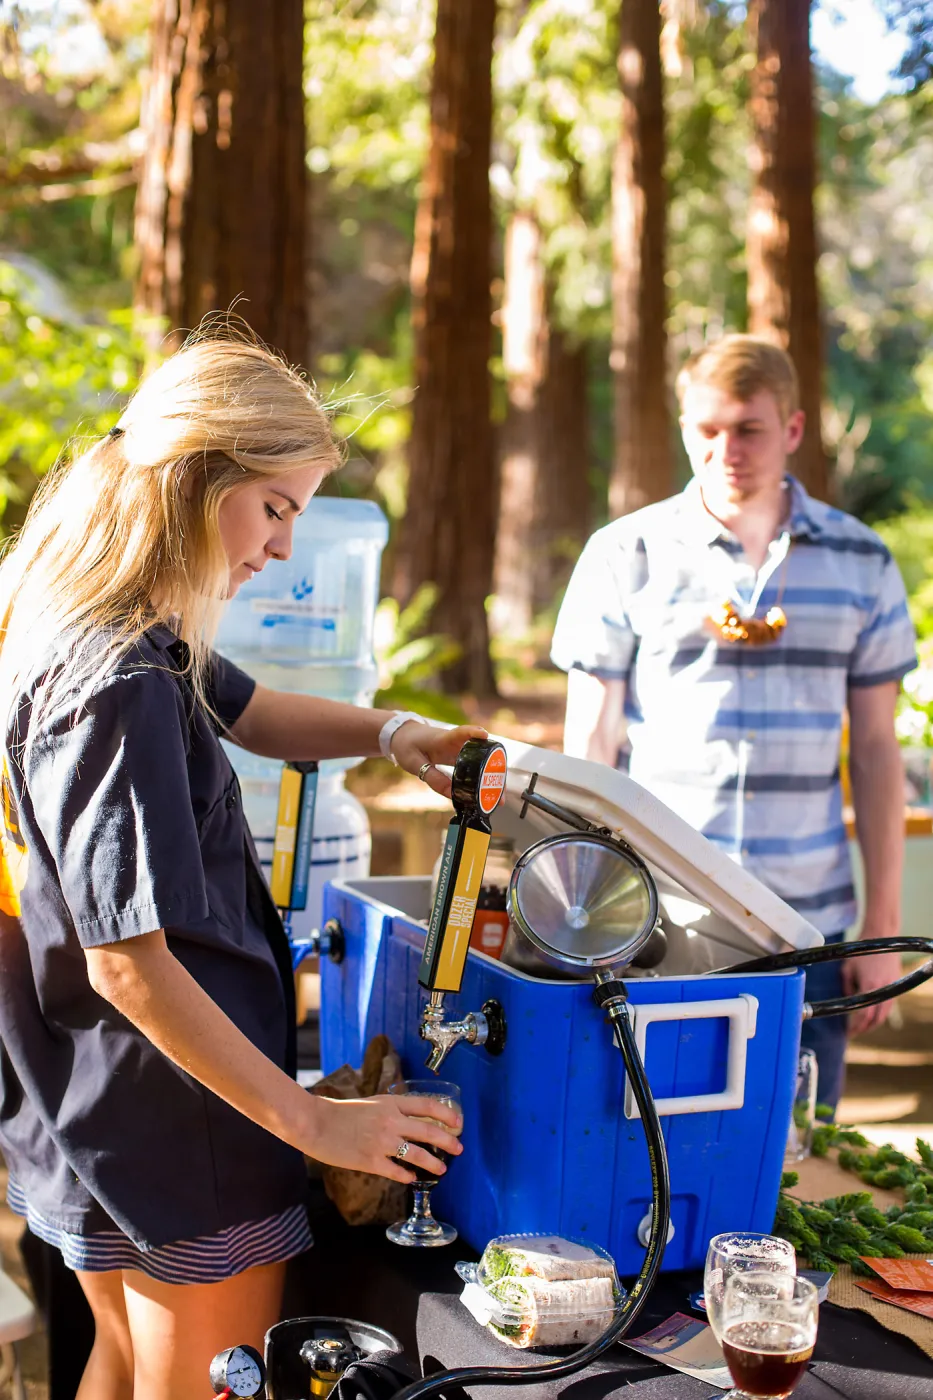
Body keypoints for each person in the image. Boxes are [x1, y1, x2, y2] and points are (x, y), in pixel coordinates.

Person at [0, 328, 477, 1400]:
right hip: (183, 1126)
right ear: (194, 475)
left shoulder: (78, 617)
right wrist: (315, 1119)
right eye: (276, 506)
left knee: (121, 1360)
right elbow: (129, 961)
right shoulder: (114, 675)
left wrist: (393, 729)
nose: (283, 547)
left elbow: (253, 711)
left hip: (83, 1100)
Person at [551, 334, 917, 1112]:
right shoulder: (624, 553)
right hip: (660, 918)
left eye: (747, 428)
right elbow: (589, 747)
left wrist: (881, 927)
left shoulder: (862, 561)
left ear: (791, 429)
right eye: (705, 428)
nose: (724, 449)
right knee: (649, 1154)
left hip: (806, 926)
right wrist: (582, 912)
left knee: (796, 1175)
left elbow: (878, 754)